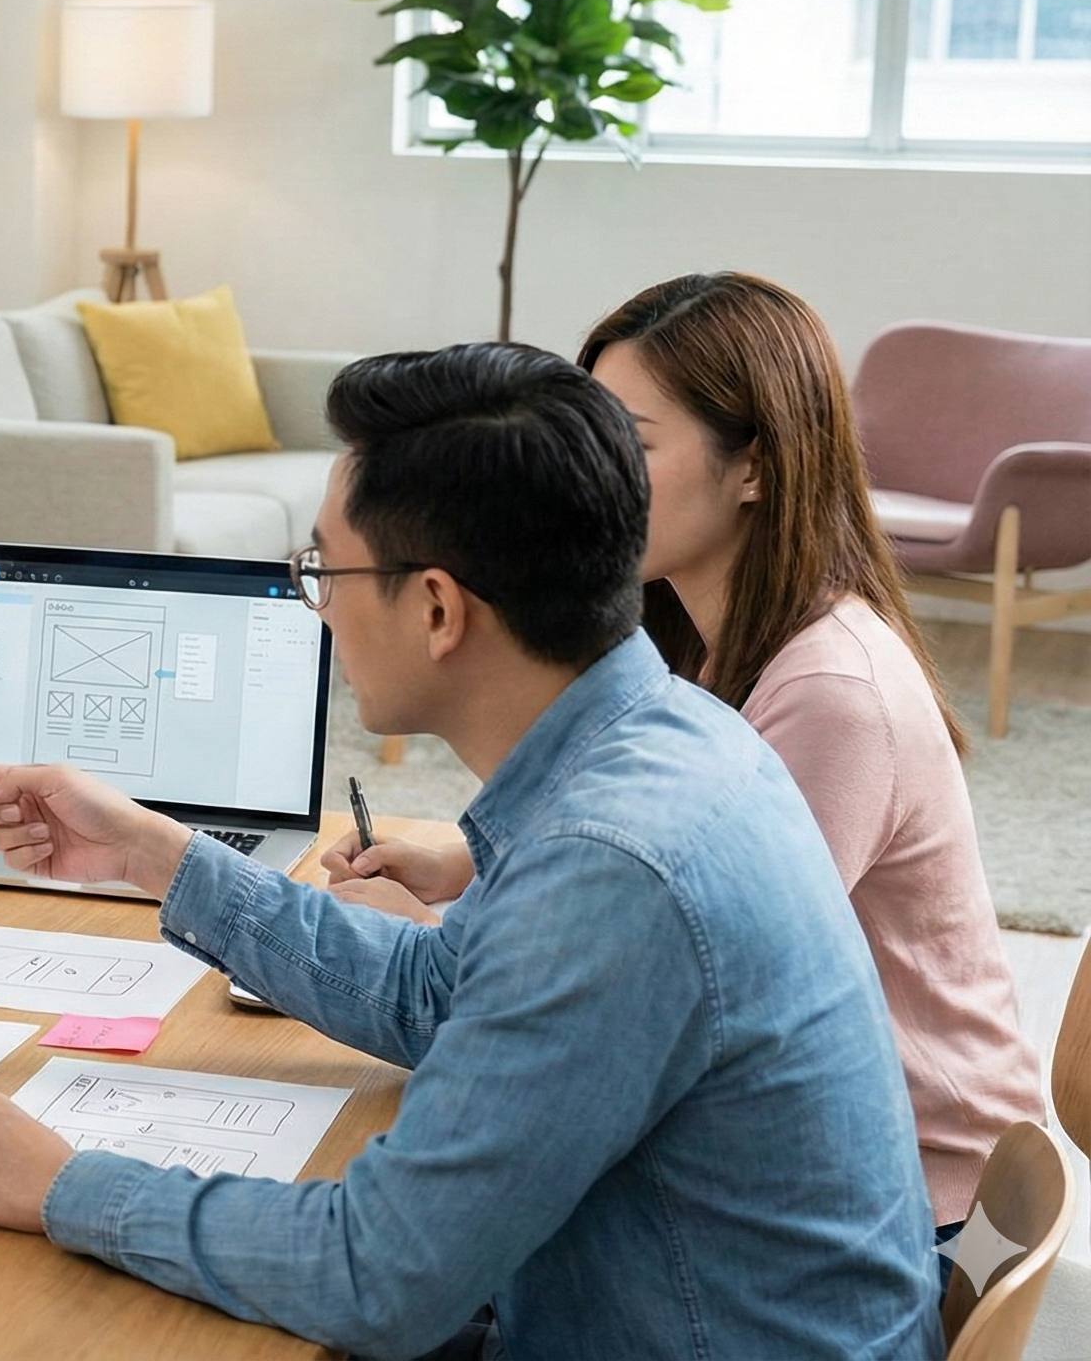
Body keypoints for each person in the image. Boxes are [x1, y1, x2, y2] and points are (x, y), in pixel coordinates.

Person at [0, 344, 938, 1359]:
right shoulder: (662, 733)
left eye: (323, 570)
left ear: (436, 607)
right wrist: (153, 853)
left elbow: (377, 1276)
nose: (319, 606)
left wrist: (61, 1186)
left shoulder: (610, 862)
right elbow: (443, 995)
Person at [322, 272, 1038, 1234]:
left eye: (630, 442)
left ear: (755, 467)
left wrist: (428, 939)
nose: (591, 472)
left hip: (900, 1198)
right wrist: (464, 863)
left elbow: (675, 963)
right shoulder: (704, 638)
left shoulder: (831, 695)